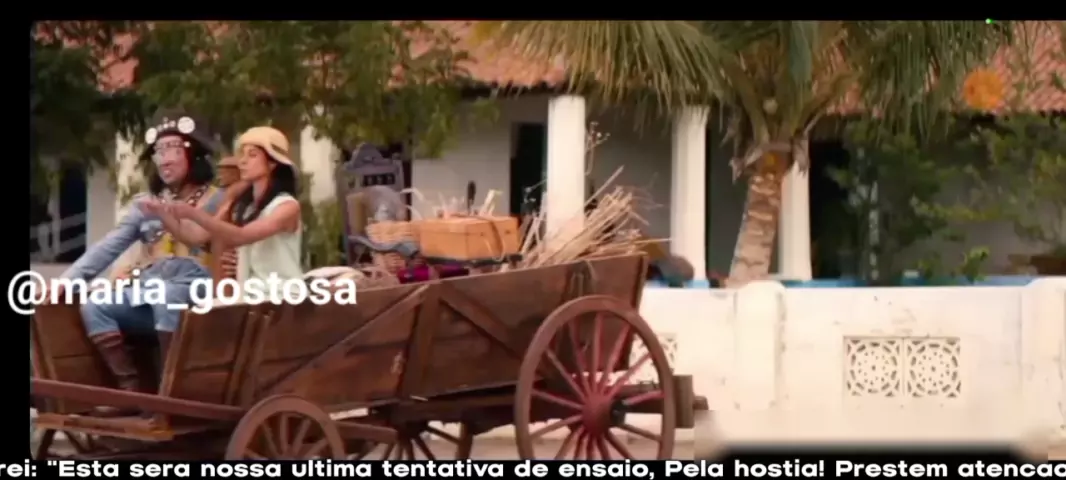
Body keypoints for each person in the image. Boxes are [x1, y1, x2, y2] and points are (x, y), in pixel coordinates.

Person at [55, 110, 224, 416]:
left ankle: (171, 394)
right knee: (96, 305)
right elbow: (109, 246)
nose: (164, 160)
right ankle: (131, 392)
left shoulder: (219, 200)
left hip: (202, 294)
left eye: (173, 149)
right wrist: (68, 281)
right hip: (154, 289)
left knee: (167, 296)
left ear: (194, 153)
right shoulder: (145, 204)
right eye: (158, 151)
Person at [144, 126, 302, 292]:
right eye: (242, 154)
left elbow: (242, 236)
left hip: (283, 295)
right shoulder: (244, 207)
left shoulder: (287, 206)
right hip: (250, 296)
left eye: (252, 155)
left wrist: (192, 213)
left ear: (272, 163)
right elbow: (196, 237)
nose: (242, 161)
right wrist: (162, 213)